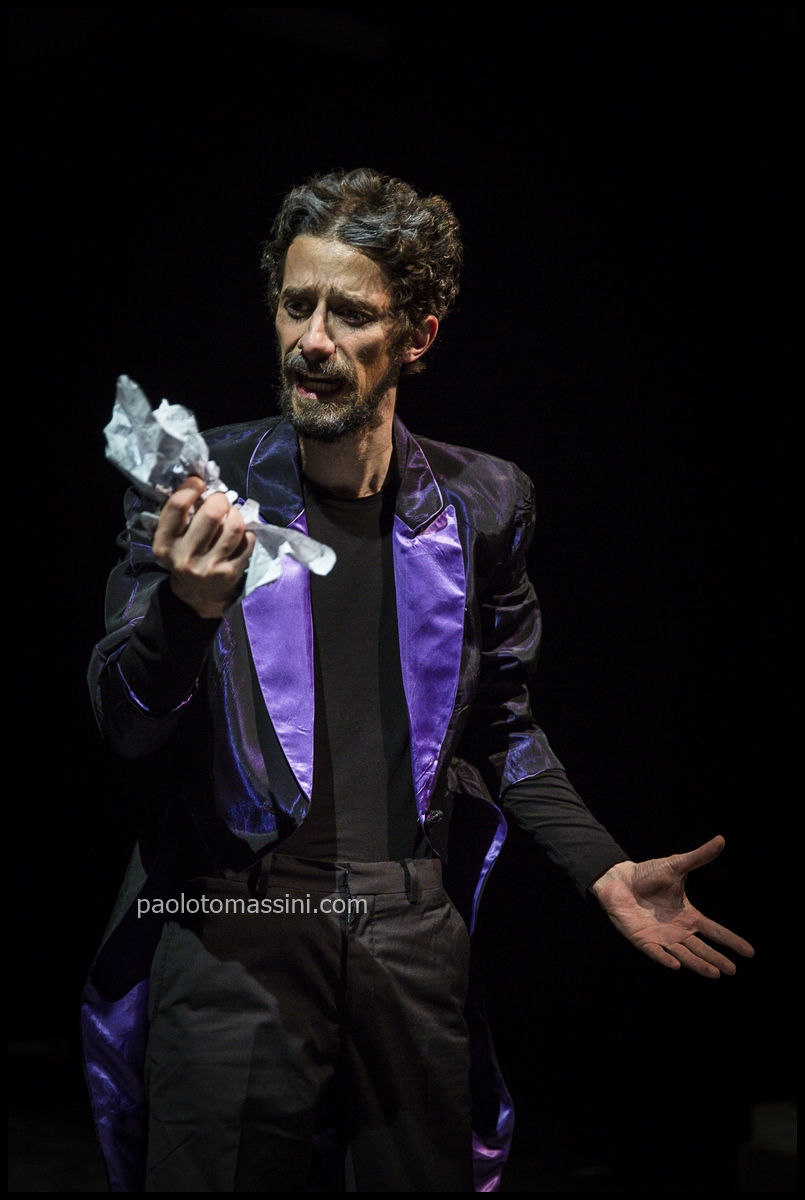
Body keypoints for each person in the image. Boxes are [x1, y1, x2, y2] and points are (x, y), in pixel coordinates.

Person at [83, 167, 754, 1194]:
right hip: (235, 930)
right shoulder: (199, 487)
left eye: (349, 314)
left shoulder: (484, 504)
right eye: (295, 305)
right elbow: (123, 724)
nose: (312, 339)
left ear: (416, 336)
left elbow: (503, 726)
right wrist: (186, 612)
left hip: (407, 935)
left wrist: (601, 867)